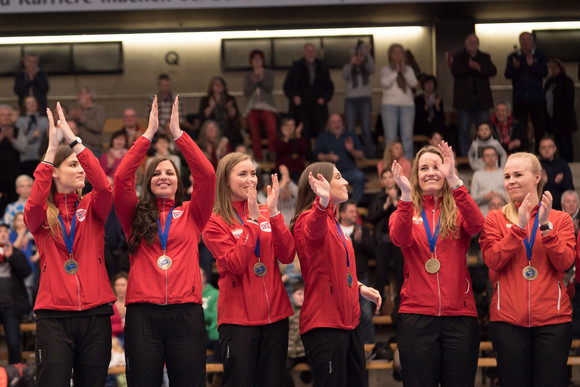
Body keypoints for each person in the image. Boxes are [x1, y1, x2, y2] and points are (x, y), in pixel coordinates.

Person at [114, 96, 216, 386]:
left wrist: (178, 136)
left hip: (186, 312)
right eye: (156, 173)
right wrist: (146, 137)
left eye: (169, 172)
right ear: (147, 182)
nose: (163, 177)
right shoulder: (134, 215)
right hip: (143, 314)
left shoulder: (193, 213)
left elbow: (207, 175)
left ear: (178, 182)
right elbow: (121, 178)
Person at [24, 102, 116, 386]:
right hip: (53, 317)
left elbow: (104, 186)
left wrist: (74, 142)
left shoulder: (92, 207)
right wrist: (50, 154)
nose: (80, 170)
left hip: (95, 313)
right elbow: (33, 206)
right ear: (54, 172)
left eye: (80, 165)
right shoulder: (42, 217)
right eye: (73, 165)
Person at [390, 142, 484, 386]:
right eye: (423, 168)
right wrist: (406, 196)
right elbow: (399, 238)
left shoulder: (459, 210)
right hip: (417, 316)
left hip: (459, 316)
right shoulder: (404, 211)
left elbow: (477, 226)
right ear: (416, 176)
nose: (430, 172)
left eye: (436, 166)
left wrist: (455, 180)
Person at [480, 152, 575, 387]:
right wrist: (518, 227)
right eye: (507, 176)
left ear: (537, 177)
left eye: (517, 174)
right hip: (508, 322)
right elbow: (492, 260)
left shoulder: (560, 219)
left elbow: (565, 262)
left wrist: (545, 227)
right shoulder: (495, 218)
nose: (510, 180)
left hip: (553, 322)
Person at [202, 152, 296, 387]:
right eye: (242, 174)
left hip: (275, 316)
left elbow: (287, 254)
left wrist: (274, 213)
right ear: (225, 180)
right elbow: (235, 263)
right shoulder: (214, 221)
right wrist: (252, 223)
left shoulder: (266, 211)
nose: (250, 179)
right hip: (238, 321)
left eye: (253, 173)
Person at [290, 161, 381, 386]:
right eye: (339, 177)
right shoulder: (307, 220)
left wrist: (359, 286)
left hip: (349, 323)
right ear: (321, 183)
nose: (346, 182)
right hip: (324, 326)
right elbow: (314, 230)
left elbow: (332, 269)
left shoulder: (335, 224)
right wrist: (322, 203)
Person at [451, 33, 497, 157]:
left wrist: (478, 67)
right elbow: (454, 70)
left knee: (484, 130)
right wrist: (469, 66)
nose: (473, 44)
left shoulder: (484, 57)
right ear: (465, 43)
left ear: (478, 44)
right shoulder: (459, 56)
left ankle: (485, 158)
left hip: (482, 100)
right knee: (464, 131)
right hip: (464, 101)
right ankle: (466, 159)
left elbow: (493, 71)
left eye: (475, 42)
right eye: (470, 42)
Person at [339, 200, 376, 344]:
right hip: (341, 280)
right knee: (344, 315)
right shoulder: (335, 229)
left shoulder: (362, 230)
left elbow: (373, 252)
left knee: (366, 315)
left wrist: (362, 240)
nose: (355, 214)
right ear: (342, 214)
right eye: (351, 211)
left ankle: (369, 347)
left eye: (356, 211)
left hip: (361, 277)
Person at [367, 168, 403, 319]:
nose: (388, 180)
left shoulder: (403, 195)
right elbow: (371, 218)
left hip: (399, 242)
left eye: (390, 177)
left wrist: (395, 202)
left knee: (400, 274)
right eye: (385, 177)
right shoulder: (378, 197)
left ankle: (401, 307)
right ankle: (376, 308)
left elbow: (406, 216)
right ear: (382, 181)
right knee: (380, 274)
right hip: (382, 241)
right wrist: (386, 206)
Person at [283, 43, 334, 147]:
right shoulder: (296, 67)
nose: (310, 54)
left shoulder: (322, 66)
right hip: (301, 108)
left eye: (312, 51)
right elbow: (287, 86)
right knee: (303, 132)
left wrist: (324, 99)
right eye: (308, 51)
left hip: (318, 107)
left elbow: (330, 87)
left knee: (320, 132)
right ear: (304, 53)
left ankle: (320, 157)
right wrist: (293, 97)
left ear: (315, 53)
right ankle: (306, 158)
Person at [505, 32, 548, 150]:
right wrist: (515, 67)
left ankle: (541, 153)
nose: (525, 41)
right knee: (520, 128)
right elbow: (507, 74)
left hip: (537, 98)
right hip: (520, 99)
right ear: (519, 41)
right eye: (523, 39)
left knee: (539, 127)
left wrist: (532, 65)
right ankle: (524, 153)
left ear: (532, 41)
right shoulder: (513, 57)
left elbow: (545, 72)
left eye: (528, 39)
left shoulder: (539, 56)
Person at [314, 114, 365, 203]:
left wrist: (351, 150)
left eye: (339, 122)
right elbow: (317, 156)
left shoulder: (350, 136)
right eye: (333, 122)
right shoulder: (323, 137)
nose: (337, 125)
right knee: (326, 181)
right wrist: (328, 157)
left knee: (360, 176)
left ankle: (354, 205)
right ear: (328, 125)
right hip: (331, 173)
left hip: (350, 171)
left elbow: (361, 156)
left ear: (342, 123)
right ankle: (332, 207)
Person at [0, 223, 32, 364]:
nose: (3, 234)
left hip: (11, 307)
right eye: (0, 231)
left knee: (14, 344)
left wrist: (12, 257)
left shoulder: (16, 252)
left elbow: (27, 271)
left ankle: (16, 378)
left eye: (6, 231)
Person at [380, 43, 418, 159]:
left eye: (399, 52)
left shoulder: (409, 69)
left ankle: (407, 164)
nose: (397, 55)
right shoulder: (386, 70)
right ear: (390, 55)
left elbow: (414, 83)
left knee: (407, 136)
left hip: (407, 105)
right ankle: (390, 163)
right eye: (394, 52)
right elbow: (385, 83)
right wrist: (396, 71)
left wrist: (404, 70)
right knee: (390, 137)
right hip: (389, 105)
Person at [342, 40, 375, 158]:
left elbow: (372, 69)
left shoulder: (366, 67)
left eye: (361, 56)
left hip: (365, 100)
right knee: (350, 128)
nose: (359, 58)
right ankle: (351, 154)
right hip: (351, 100)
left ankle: (369, 155)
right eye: (356, 55)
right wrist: (351, 63)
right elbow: (344, 76)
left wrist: (368, 55)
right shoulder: (348, 67)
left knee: (366, 129)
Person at [243, 49, 278, 161]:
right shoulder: (248, 75)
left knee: (272, 128)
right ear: (251, 61)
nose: (257, 61)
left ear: (263, 60)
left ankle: (272, 153)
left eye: (259, 59)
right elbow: (246, 92)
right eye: (254, 59)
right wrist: (254, 81)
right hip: (252, 107)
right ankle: (257, 156)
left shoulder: (268, 73)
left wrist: (260, 78)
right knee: (254, 132)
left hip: (267, 106)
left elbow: (269, 88)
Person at [544, 58, 577, 162]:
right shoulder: (549, 82)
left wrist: (561, 113)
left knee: (566, 143)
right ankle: (561, 163)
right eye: (551, 68)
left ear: (560, 68)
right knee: (557, 144)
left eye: (555, 67)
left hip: (564, 119)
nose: (553, 70)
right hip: (552, 120)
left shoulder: (567, 81)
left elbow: (569, 100)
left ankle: (569, 163)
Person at [199, 76, 242, 148]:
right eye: (216, 84)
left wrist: (230, 108)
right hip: (213, 125)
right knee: (211, 130)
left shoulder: (229, 98)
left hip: (227, 126)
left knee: (232, 132)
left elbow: (234, 116)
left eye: (221, 84)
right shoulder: (206, 99)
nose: (219, 86)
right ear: (211, 86)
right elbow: (203, 116)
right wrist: (211, 106)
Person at [69, 86, 107, 158]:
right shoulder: (78, 110)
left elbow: (97, 126)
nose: (78, 96)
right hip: (77, 147)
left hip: (93, 149)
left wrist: (81, 118)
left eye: (81, 93)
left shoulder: (98, 110)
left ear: (89, 95)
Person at [0, 105, 27, 204]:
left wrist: (12, 139)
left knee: (14, 197)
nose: (6, 117)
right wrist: (2, 136)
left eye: (8, 115)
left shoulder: (17, 130)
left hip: (13, 172)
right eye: (3, 115)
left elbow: (24, 149)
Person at [538, 136, 574, 211]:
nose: (547, 149)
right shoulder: (536, 166)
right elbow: (530, 191)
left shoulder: (562, 164)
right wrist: (542, 183)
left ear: (555, 149)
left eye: (549, 147)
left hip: (560, 209)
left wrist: (561, 182)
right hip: (540, 208)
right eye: (544, 147)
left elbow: (571, 189)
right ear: (540, 150)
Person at [285, 281, 310, 387]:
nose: (302, 297)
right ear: (293, 295)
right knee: (281, 369)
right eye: (299, 294)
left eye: (304, 294)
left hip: (306, 352)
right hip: (290, 353)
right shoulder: (287, 311)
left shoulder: (311, 311)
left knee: (320, 366)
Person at [470, 146, 507, 216]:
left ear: (496, 157)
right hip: (483, 216)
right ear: (483, 159)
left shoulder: (504, 173)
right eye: (487, 155)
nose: (490, 158)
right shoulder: (477, 175)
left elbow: (512, 198)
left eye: (493, 155)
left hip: (503, 214)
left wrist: (501, 195)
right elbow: (471, 201)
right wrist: (484, 197)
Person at [16, 96, 48, 177]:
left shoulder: (44, 120)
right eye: (29, 103)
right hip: (27, 156)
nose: (32, 104)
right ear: (24, 105)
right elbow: (18, 140)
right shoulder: (20, 121)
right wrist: (32, 136)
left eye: (34, 102)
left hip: (43, 156)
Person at [273, 116, 308, 183]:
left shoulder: (299, 139)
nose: (290, 128)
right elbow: (279, 151)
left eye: (292, 125)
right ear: (282, 127)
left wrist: (298, 135)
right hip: (283, 171)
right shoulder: (278, 140)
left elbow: (305, 148)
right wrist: (286, 139)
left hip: (298, 170)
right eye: (287, 125)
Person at [110, 272, 128, 343]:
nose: (119, 288)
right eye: (117, 285)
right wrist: (121, 326)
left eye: (123, 285)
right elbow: (104, 327)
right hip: (114, 338)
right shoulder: (110, 305)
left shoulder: (133, 304)